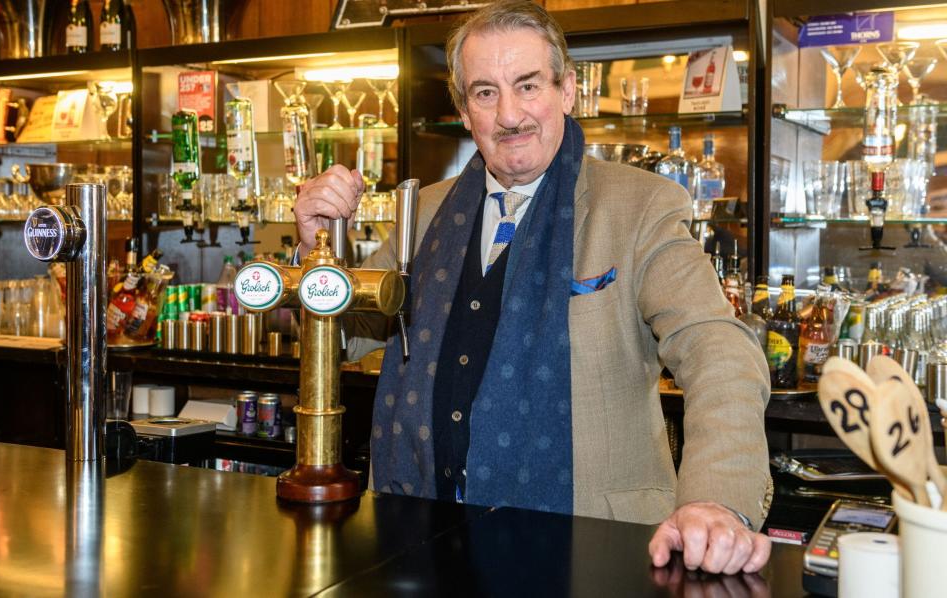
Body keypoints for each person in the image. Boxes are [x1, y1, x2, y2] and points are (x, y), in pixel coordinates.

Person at [294, 0, 772, 575]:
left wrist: (715, 501)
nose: (510, 115)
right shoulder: (422, 213)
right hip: (416, 542)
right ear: (464, 109)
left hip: (592, 554)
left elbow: (719, 352)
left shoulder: (639, 207)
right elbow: (343, 339)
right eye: (485, 92)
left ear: (567, 90)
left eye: (527, 86)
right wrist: (316, 254)